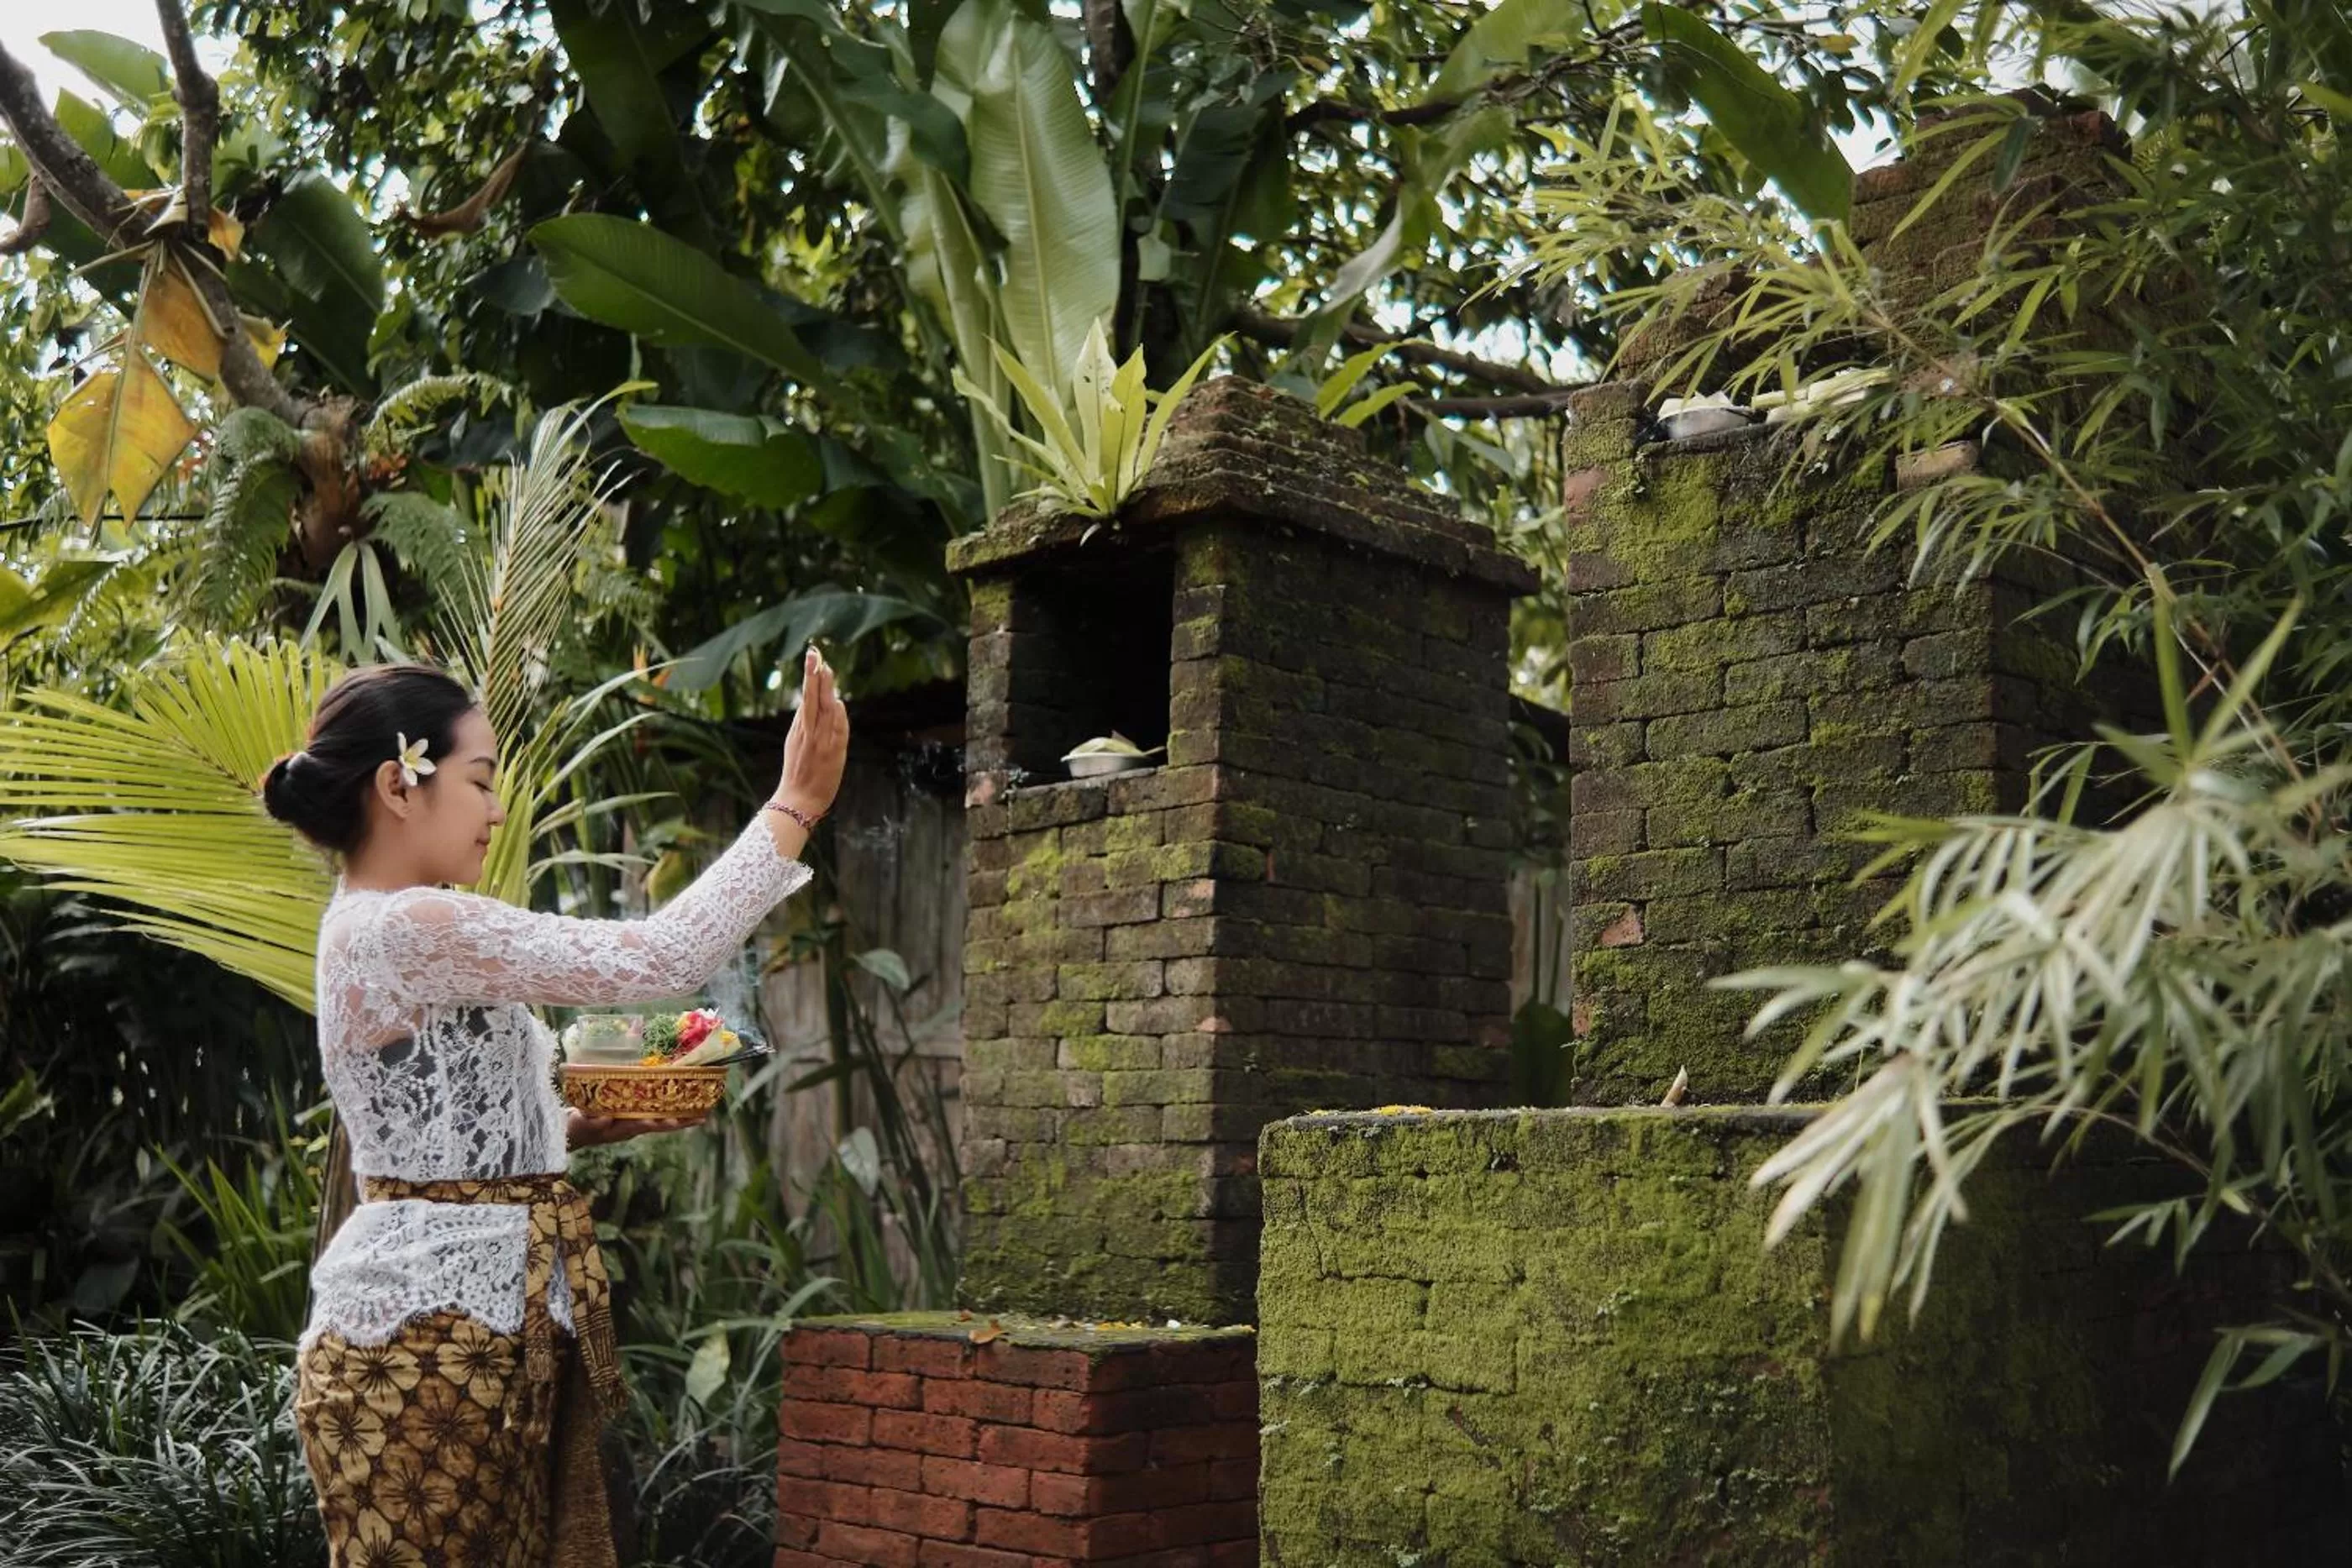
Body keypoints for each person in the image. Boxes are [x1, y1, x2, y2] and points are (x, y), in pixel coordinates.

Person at [261, 646, 848, 1566]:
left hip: (473, 1334)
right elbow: (658, 960)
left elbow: (432, 1141)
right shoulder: (406, 924)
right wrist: (794, 805)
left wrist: (567, 1130)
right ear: (398, 784)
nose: (496, 808)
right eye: (480, 779)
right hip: (425, 1354)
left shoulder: (387, 926)